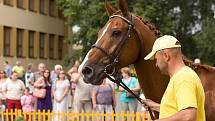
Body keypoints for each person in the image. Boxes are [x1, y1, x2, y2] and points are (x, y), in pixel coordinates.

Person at [143, 35, 205, 121]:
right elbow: (176, 110)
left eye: (156, 59)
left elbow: (188, 116)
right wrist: (155, 106)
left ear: (166, 56)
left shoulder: (183, 78)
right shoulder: (181, 76)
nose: (156, 64)